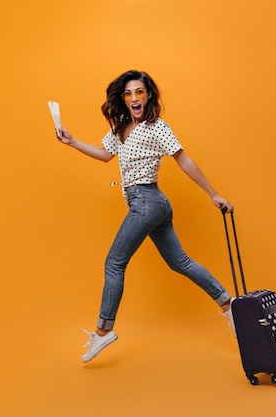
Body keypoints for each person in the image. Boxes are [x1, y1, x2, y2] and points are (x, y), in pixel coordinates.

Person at [55, 70, 235, 363]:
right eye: (128, 94)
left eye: (139, 92)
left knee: (114, 262)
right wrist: (72, 141)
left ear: (148, 95)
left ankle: (104, 331)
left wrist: (213, 194)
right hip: (150, 204)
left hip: (146, 201)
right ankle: (229, 305)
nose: (134, 98)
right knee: (181, 262)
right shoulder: (122, 127)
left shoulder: (156, 127)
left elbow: (183, 159)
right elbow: (104, 154)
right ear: (123, 99)